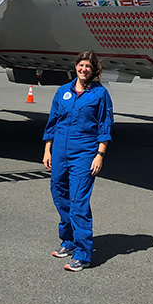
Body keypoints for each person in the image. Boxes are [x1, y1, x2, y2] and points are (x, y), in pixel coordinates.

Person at [42, 50, 113, 272]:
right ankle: (70, 241)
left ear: (94, 70)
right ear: (76, 67)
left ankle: (83, 254)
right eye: (81, 65)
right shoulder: (63, 91)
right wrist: (47, 150)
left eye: (88, 67)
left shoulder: (100, 94)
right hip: (60, 150)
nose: (84, 70)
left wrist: (100, 154)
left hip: (84, 152)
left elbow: (105, 126)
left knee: (78, 202)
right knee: (59, 194)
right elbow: (52, 122)